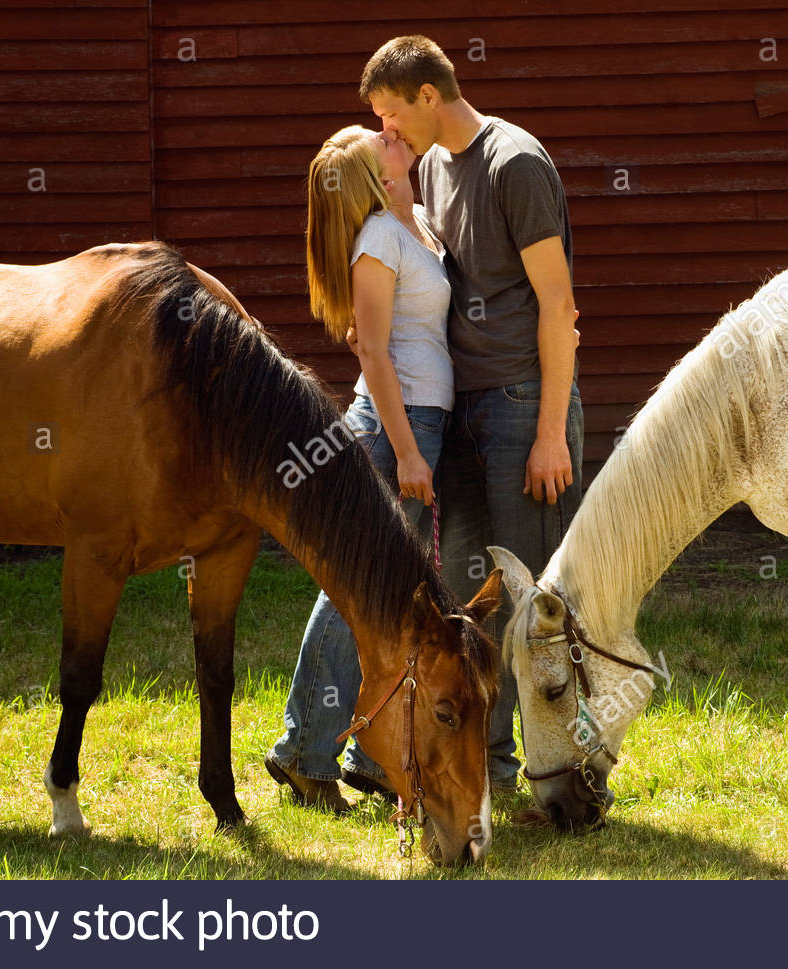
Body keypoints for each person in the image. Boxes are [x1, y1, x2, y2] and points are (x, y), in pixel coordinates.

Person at [358, 36, 584, 791]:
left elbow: (558, 304)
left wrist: (552, 430)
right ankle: (486, 769)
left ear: (429, 95)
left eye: (391, 116)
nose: (386, 135)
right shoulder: (430, 167)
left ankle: (572, 778)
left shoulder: (513, 163)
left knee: (532, 606)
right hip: (462, 412)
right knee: (463, 604)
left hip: (523, 404)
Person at [264, 124, 452, 811]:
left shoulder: (415, 224)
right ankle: (303, 751)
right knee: (351, 596)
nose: (392, 134)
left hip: (421, 424)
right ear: (375, 179)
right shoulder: (378, 240)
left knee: (391, 598)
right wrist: (406, 449)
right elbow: (372, 351)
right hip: (390, 430)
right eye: (381, 143)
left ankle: (363, 758)